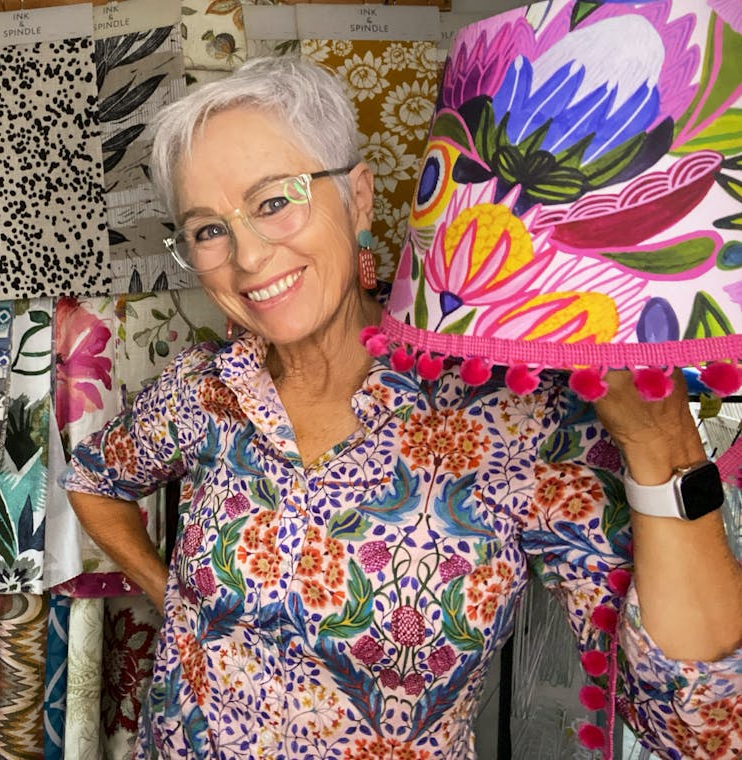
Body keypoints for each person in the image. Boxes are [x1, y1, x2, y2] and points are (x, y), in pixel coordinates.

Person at [65, 56, 741, 759]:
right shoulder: (203, 389)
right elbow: (92, 480)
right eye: (208, 229)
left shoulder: (517, 418)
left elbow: (700, 733)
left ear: (359, 198)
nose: (248, 256)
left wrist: (662, 443)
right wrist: (170, 594)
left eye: (273, 202)